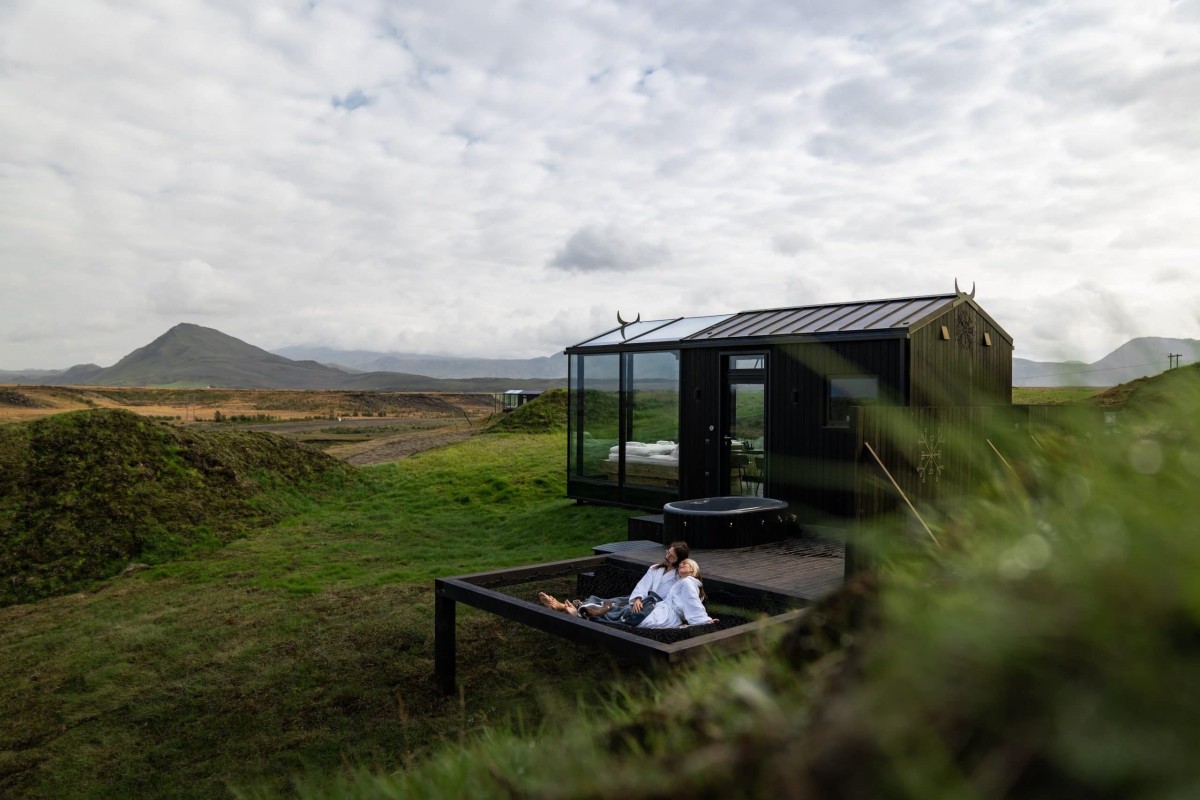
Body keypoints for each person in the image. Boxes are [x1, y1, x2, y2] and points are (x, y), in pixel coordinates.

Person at [538, 541, 689, 623]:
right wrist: (637, 598)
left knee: (619, 611)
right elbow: (642, 585)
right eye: (667, 553)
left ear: (679, 561)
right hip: (641, 599)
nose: (667, 557)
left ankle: (565, 608)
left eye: (671, 557)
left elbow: (681, 595)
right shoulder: (655, 569)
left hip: (656, 606)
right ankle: (567, 608)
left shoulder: (679, 578)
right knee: (610, 602)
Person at [634, 558, 718, 628]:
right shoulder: (681, 582)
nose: (680, 565)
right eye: (680, 564)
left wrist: (703, 620)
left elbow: (692, 601)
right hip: (662, 609)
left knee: (640, 621)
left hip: (667, 615)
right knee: (634, 617)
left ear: (692, 569)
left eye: (684, 563)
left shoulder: (687, 583)